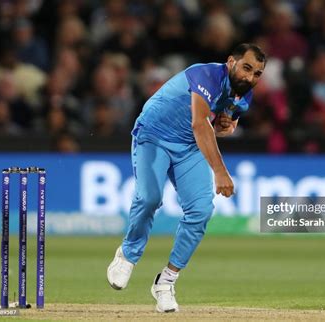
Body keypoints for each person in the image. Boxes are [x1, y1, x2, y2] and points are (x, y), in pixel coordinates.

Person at [107, 43, 266, 313]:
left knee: (202, 209)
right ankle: (127, 254)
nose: (250, 78)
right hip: (154, 135)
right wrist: (220, 171)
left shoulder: (244, 95)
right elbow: (199, 122)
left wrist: (225, 125)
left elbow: (223, 125)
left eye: (257, 73)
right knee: (150, 198)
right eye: (247, 68)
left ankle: (166, 282)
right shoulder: (205, 74)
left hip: (188, 148)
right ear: (231, 62)